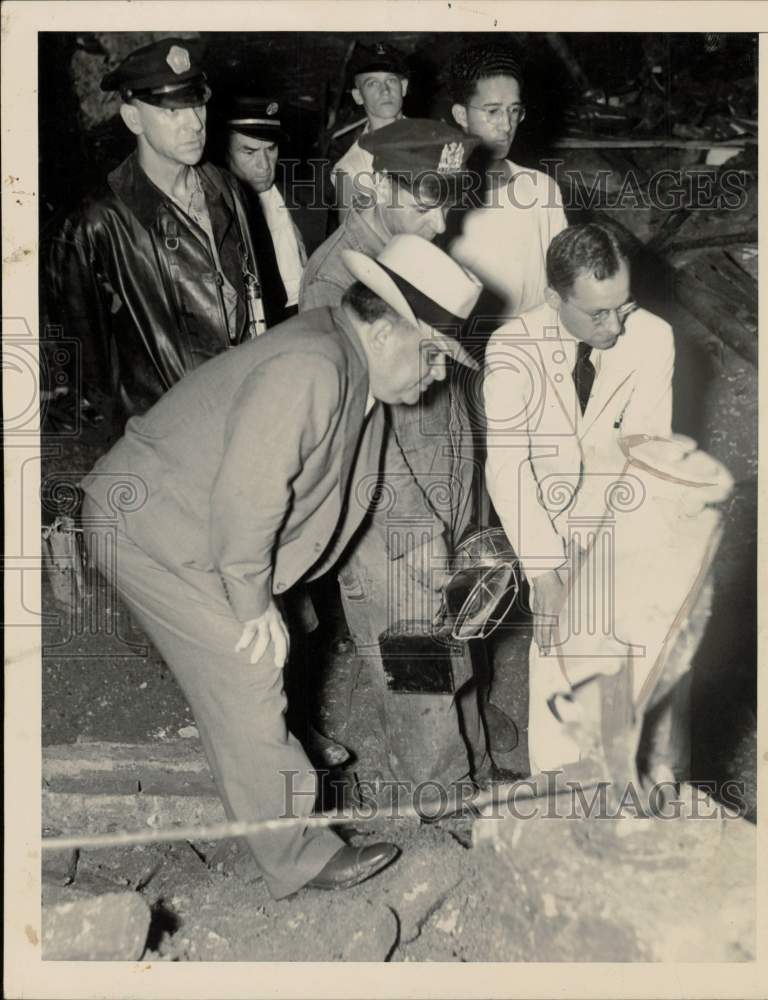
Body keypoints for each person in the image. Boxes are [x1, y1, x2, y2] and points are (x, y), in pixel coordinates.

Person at [80, 234, 483, 900]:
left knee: (273, 649)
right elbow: (251, 490)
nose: (438, 374)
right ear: (386, 332)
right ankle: (299, 855)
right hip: (153, 529)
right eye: (433, 355)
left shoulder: (351, 366)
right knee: (248, 668)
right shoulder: (312, 367)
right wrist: (246, 598)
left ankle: (270, 765)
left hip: (192, 523)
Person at [302, 119, 499, 793]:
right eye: (424, 202)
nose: (441, 223)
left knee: (457, 638)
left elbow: (442, 395)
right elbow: (350, 430)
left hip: (440, 484)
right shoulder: (335, 283)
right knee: (416, 659)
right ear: (377, 185)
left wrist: (470, 506)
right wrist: (412, 532)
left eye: (447, 201)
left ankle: (472, 767)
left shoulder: (413, 253)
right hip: (389, 513)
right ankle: (441, 797)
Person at [483, 223, 676, 772]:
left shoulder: (653, 338)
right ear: (553, 299)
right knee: (558, 672)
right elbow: (509, 466)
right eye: (598, 314)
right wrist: (546, 573)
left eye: (624, 305)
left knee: (625, 678)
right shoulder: (512, 348)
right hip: (546, 527)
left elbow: (645, 455)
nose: (615, 326)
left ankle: (619, 798)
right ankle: (557, 801)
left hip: (620, 524)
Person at [47, 37, 264, 439]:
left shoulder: (228, 189)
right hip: (166, 438)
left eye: (197, 103)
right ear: (133, 119)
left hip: (245, 412)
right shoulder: (95, 224)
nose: (195, 123)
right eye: (172, 111)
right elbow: (87, 375)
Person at [447, 41, 567, 320]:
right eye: (492, 111)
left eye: (514, 111)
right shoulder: (440, 200)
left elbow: (562, 279)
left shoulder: (541, 188)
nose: (507, 125)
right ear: (461, 115)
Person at [225, 95, 307, 326]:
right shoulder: (219, 215)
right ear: (225, 152)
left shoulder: (309, 202)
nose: (264, 164)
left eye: (270, 149)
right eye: (249, 152)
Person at [331, 42, 408, 223]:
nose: (385, 91)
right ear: (358, 96)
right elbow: (354, 240)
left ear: (404, 87)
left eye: (390, 80)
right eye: (372, 83)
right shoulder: (350, 169)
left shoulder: (434, 138)